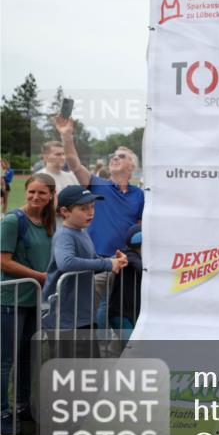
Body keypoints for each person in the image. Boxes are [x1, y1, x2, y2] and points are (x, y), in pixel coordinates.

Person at [53, 116, 143, 329]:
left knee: (120, 312)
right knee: (92, 313)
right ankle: (96, 352)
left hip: (124, 263)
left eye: (121, 156)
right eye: (113, 155)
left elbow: (139, 230)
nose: (115, 157)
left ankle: (114, 354)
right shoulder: (98, 184)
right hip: (96, 262)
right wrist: (66, 135)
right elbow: (74, 163)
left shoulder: (139, 194)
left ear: (132, 166)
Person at [0, 174, 56, 435]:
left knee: (26, 358)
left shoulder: (49, 223)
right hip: (11, 301)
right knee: (5, 361)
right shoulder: (13, 221)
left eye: (41, 194)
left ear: (51, 196)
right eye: (31, 192)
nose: (35, 198)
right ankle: (2, 412)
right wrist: (39, 277)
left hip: (34, 301)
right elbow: (4, 261)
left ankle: (22, 406)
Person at [41, 186, 127, 351]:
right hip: (66, 319)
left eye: (92, 207)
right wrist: (108, 264)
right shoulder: (65, 235)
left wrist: (113, 261)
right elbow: (66, 263)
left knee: (87, 368)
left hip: (83, 315)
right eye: (83, 208)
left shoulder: (81, 232)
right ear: (65, 211)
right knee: (70, 371)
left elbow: (92, 261)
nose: (90, 212)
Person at [108, 224, 143, 342]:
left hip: (130, 313)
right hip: (121, 314)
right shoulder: (129, 255)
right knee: (132, 350)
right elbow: (141, 268)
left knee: (126, 351)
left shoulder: (136, 255)